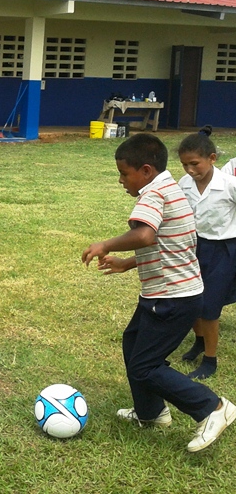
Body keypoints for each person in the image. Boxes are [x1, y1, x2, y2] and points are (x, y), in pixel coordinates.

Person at [82, 133, 235, 453]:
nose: (121, 180)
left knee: (145, 365)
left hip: (171, 297)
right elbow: (168, 245)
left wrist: (105, 244)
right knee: (133, 342)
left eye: (124, 173)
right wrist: (127, 263)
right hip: (173, 292)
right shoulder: (173, 189)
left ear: (146, 170)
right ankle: (151, 411)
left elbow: (146, 235)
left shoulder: (153, 194)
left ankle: (212, 407)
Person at [176, 127, 236, 379]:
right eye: (185, 165)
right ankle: (199, 341)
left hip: (223, 249)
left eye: (195, 164)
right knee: (190, 298)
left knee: (210, 306)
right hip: (193, 246)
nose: (190, 170)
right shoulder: (184, 184)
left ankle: (210, 359)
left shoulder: (229, 185)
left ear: (212, 159)